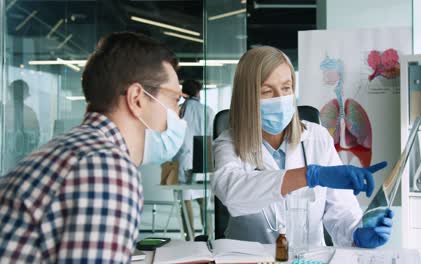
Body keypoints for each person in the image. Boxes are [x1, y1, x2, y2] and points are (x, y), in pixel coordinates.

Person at [0, 32, 186, 262]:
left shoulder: (75, 150)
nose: (178, 114)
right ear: (137, 98)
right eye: (175, 99)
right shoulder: (104, 168)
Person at [212, 46, 393, 248]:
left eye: (286, 88)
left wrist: (358, 233)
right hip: (248, 259)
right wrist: (309, 175)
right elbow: (231, 191)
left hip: (308, 259)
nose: (280, 99)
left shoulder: (317, 137)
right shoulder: (229, 143)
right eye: (266, 91)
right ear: (247, 97)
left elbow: (341, 212)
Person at [174, 79, 214, 240]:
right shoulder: (207, 110)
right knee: (204, 199)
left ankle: (190, 237)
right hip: (202, 158)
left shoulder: (180, 110)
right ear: (198, 92)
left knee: (185, 200)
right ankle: (208, 235)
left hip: (183, 158)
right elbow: (211, 136)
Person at [3, 80, 40, 171]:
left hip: (22, 159)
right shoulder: (4, 111)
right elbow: (37, 137)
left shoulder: (29, 113)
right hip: (10, 159)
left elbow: (36, 136)